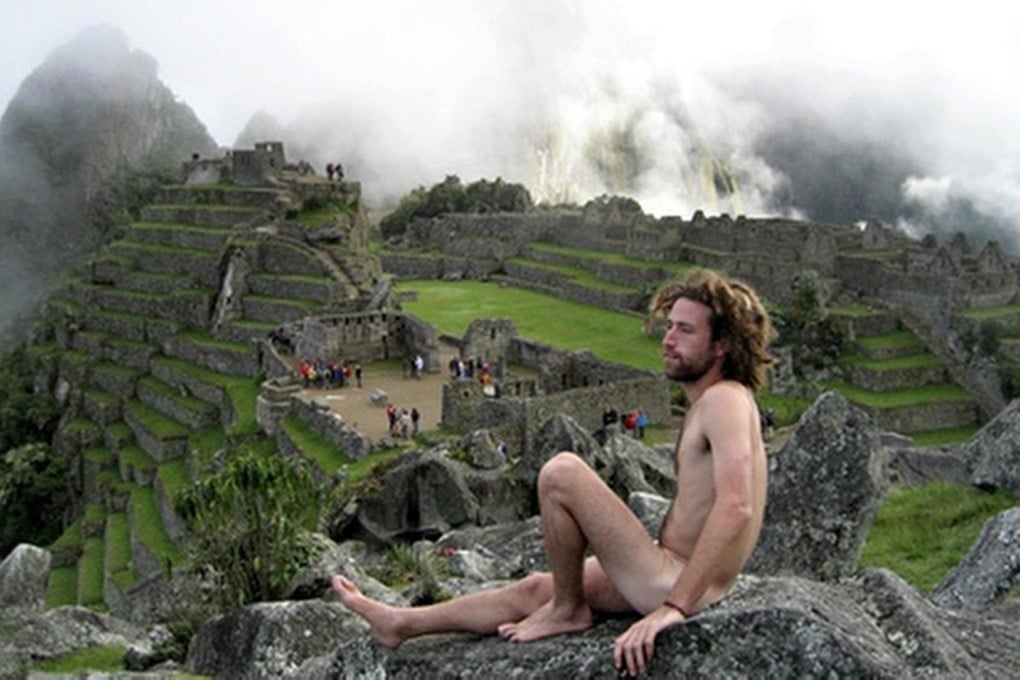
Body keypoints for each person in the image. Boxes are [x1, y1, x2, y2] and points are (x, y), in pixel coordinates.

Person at [332, 267, 775, 677]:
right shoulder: (724, 400)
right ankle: (400, 623)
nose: (667, 339)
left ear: (721, 345)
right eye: (669, 326)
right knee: (532, 590)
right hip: (672, 572)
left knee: (562, 471)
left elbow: (736, 507)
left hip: (674, 581)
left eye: (685, 330)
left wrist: (673, 608)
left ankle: (567, 610)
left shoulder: (723, 401)